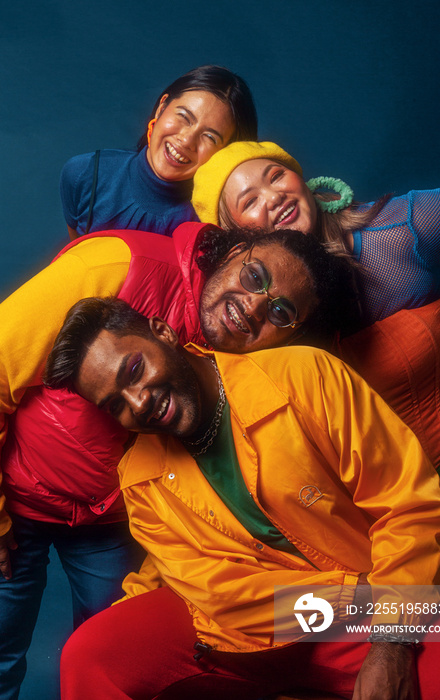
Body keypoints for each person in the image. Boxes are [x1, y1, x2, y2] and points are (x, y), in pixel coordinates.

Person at [0, 222, 356, 700]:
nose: (250, 307)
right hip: (17, 506)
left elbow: (412, 511)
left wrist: (401, 618)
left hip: (368, 597)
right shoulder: (115, 270)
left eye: (278, 309)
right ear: (230, 253)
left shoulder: (303, 372)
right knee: (77, 653)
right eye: (251, 277)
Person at [45, 297, 440, 700]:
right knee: (90, 656)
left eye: (134, 370)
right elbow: (221, 594)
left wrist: (391, 634)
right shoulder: (139, 479)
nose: (139, 403)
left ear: (163, 332)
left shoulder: (305, 375)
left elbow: (411, 506)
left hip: (373, 608)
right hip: (238, 632)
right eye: (115, 404)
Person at [192, 140, 440, 575]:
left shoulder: (398, 231)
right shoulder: (251, 314)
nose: (274, 196)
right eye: (250, 200)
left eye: (276, 176)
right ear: (236, 236)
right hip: (375, 518)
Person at [60, 65, 257, 240]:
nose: (187, 140)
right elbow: (74, 259)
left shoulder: (214, 226)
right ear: (162, 108)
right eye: (184, 117)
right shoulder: (84, 173)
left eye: (210, 137)